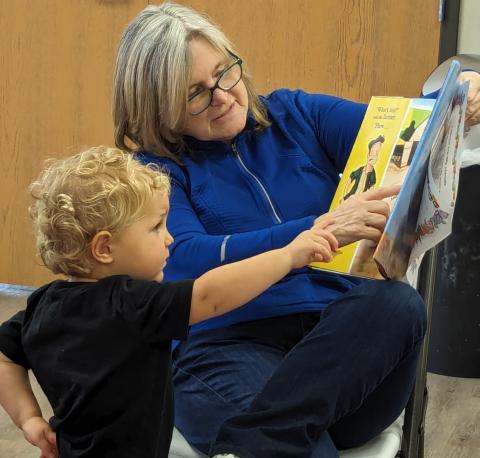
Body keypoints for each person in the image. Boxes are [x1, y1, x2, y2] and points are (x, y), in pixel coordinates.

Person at [110, 4, 430, 458]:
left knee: (397, 302)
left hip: (341, 347)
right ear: (157, 109)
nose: (223, 96)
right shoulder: (152, 170)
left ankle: (257, 445)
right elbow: (185, 260)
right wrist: (316, 233)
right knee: (303, 447)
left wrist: (459, 97)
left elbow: (410, 131)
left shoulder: (296, 113)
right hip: (226, 348)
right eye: (195, 94)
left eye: (225, 73)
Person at [0, 146, 338, 458]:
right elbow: (211, 295)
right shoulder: (133, 303)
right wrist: (288, 256)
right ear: (104, 248)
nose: (170, 237)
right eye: (156, 226)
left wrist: (29, 419)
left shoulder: (42, 304)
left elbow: (4, 357)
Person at [342, 134, 384, 201]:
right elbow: (350, 178)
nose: (373, 156)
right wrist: (344, 195)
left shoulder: (372, 174)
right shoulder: (360, 170)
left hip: (360, 201)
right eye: (372, 152)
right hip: (351, 197)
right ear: (368, 155)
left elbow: (371, 189)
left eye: (376, 154)